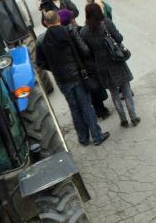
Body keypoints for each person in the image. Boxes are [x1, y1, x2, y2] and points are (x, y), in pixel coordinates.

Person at [36, 10, 110, 146]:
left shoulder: (41, 40)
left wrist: (53, 68)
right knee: (86, 106)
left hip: (62, 80)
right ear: (58, 19)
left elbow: (40, 63)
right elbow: (85, 50)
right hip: (78, 76)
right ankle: (97, 136)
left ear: (45, 23)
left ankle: (83, 138)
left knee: (74, 109)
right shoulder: (69, 31)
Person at [81, 3, 140, 127]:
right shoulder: (106, 23)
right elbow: (119, 38)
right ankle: (133, 117)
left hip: (102, 66)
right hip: (116, 61)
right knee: (126, 89)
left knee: (114, 93)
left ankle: (123, 119)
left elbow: (87, 52)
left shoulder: (84, 32)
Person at [58, 9, 110, 119]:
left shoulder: (59, 35)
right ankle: (101, 110)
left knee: (86, 90)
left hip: (72, 69)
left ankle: (96, 110)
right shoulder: (76, 31)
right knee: (93, 86)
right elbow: (85, 49)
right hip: (85, 64)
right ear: (70, 20)